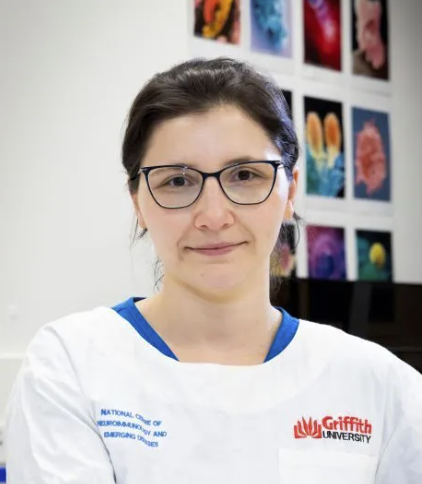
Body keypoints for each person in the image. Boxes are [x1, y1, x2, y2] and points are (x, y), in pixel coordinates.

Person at [4, 57, 422, 483]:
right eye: (177, 181)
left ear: (290, 190)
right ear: (138, 204)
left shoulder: (382, 387)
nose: (214, 216)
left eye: (245, 175)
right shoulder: (70, 367)